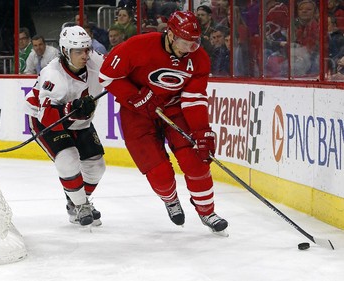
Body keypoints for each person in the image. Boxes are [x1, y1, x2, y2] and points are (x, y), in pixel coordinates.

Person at [99, 11, 229, 234]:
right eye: (184, 42)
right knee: (158, 172)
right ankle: (170, 199)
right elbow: (107, 76)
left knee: (196, 160)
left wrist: (201, 131)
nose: (189, 49)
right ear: (170, 34)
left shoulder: (199, 58)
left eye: (194, 43)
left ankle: (207, 211)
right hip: (137, 112)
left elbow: (194, 98)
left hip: (176, 109)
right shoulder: (137, 46)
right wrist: (135, 97)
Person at [24, 26, 106, 227]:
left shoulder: (96, 61)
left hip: (79, 121)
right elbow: (48, 116)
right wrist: (72, 107)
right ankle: (79, 206)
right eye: (78, 51)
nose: (84, 55)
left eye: (86, 49)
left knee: (97, 166)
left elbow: (120, 70)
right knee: (67, 160)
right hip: (45, 120)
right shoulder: (53, 75)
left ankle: (76, 201)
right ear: (65, 51)